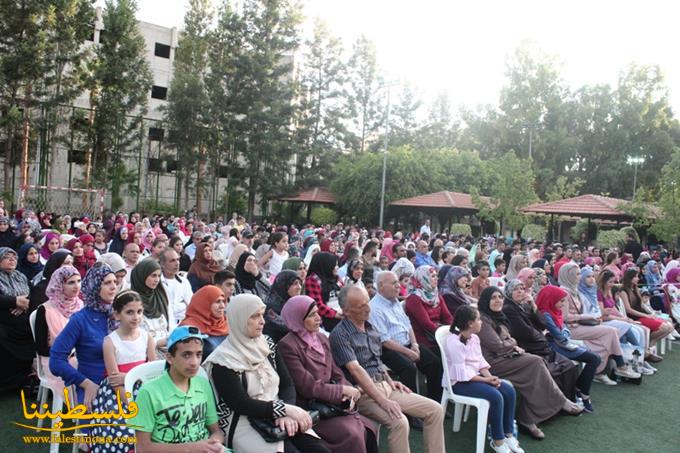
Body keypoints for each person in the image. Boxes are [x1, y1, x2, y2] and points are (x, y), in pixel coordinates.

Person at [204, 294, 330, 453]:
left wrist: (286, 412)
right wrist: (283, 410)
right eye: (255, 316)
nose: (262, 321)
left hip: (280, 415)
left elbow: (287, 383)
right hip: (244, 423)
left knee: (320, 450)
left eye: (262, 315)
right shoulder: (222, 361)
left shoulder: (267, 344)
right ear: (240, 318)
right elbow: (241, 403)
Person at [329, 285, 445, 453]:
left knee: (435, 410)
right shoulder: (340, 335)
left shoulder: (370, 327)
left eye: (367, 302)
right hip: (363, 393)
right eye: (361, 306)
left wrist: (391, 381)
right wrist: (383, 401)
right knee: (400, 422)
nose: (368, 308)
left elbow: (377, 360)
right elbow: (355, 370)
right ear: (346, 311)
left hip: (385, 386)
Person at [476, 286, 583, 440]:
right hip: (491, 364)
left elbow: (509, 339)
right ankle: (558, 403)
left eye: (500, 297)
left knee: (537, 366)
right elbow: (497, 345)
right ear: (486, 300)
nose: (498, 300)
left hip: (506, 356)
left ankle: (528, 417)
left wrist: (511, 343)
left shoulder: (497, 316)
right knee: (535, 362)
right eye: (493, 297)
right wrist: (513, 343)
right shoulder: (483, 319)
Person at [278, 295, 378, 453]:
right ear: (297, 318)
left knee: (369, 429)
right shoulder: (287, 346)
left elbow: (336, 372)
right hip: (312, 409)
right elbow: (307, 387)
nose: (319, 318)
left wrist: (348, 393)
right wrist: (342, 391)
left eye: (318, 313)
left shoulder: (321, 338)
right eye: (312, 315)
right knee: (352, 434)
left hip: (332, 404)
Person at [444, 305, 525, 453]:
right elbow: (461, 374)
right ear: (470, 323)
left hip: (475, 378)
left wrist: (490, 377)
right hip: (458, 383)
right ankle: (498, 440)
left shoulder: (474, 338)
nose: (481, 322)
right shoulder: (454, 343)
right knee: (496, 396)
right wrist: (486, 381)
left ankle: (508, 434)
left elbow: (480, 361)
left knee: (508, 390)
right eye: (479, 320)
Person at [132, 326, 224, 452]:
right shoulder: (148, 393)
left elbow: (216, 431)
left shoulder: (203, 384)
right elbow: (143, 448)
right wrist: (192, 448)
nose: (194, 362)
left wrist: (213, 444)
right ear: (169, 358)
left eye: (199, 354)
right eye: (187, 355)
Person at [91, 290, 155, 452]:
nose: (136, 317)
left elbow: (153, 372)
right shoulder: (110, 342)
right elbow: (115, 381)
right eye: (129, 312)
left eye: (139, 312)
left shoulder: (147, 337)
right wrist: (132, 406)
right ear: (117, 315)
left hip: (145, 390)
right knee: (124, 430)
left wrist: (129, 377)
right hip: (118, 395)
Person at [557, 263, 641, 384]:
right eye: (577, 274)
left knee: (611, 333)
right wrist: (588, 316)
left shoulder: (573, 290)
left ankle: (604, 370)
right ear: (568, 275)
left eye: (580, 274)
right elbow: (565, 317)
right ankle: (617, 367)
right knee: (611, 332)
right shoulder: (564, 292)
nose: (579, 277)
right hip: (571, 329)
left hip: (581, 325)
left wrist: (593, 318)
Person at [370, 271, 444, 404]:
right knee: (408, 368)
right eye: (394, 283)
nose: (398, 286)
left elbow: (407, 324)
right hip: (388, 350)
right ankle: (412, 410)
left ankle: (434, 402)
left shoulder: (394, 301)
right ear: (381, 285)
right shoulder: (374, 308)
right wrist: (408, 352)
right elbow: (385, 340)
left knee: (435, 363)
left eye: (398, 282)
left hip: (408, 344)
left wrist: (414, 345)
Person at [50, 265, 118, 409]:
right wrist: (85, 383)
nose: (113, 287)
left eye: (115, 282)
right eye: (107, 283)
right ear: (94, 286)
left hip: (122, 385)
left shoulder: (120, 314)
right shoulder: (81, 319)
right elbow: (56, 361)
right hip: (94, 386)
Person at [501, 279, 580, 401]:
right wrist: (541, 336)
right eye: (516, 289)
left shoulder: (524, 305)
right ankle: (560, 402)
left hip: (538, 345)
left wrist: (533, 306)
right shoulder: (508, 308)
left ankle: (567, 400)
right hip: (528, 347)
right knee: (559, 368)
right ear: (509, 292)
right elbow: (525, 332)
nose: (520, 292)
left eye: (522, 289)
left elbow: (542, 324)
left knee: (569, 365)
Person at [536, 285, 603, 413]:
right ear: (551, 299)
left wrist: (564, 333)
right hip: (555, 347)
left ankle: (580, 389)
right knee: (594, 358)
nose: (562, 304)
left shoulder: (554, 311)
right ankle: (583, 393)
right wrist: (563, 333)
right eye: (561, 301)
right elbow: (559, 335)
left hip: (564, 344)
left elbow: (564, 330)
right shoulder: (545, 314)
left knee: (594, 358)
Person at [33, 265, 83, 394]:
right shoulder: (45, 310)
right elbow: (41, 348)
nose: (77, 286)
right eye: (71, 282)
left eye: (78, 281)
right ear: (59, 285)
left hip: (80, 356)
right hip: (55, 359)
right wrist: (65, 354)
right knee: (83, 372)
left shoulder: (80, 305)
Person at [0, 247, 34, 389]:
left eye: (14, 257)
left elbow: (33, 294)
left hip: (23, 321)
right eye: (7, 257)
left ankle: (24, 379)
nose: (12, 260)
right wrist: (14, 301)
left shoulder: (21, 276)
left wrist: (24, 303)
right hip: (4, 322)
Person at [620, 267, 675, 354]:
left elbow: (642, 304)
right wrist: (646, 315)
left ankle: (651, 341)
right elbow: (628, 309)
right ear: (629, 278)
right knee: (665, 327)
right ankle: (650, 341)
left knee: (670, 323)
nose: (638, 278)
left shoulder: (635, 288)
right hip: (636, 317)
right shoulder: (623, 291)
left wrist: (652, 313)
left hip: (643, 314)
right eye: (636, 277)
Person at [404, 265, 453, 355]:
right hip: (425, 338)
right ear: (423, 278)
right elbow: (425, 323)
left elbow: (447, 316)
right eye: (433, 276)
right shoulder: (414, 298)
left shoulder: (435, 294)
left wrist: (454, 329)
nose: (436, 279)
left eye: (436, 276)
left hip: (438, 332)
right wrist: (444, 335)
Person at [131, 259, 174, 354]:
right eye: (153, 275)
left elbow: (171, 323)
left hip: (167, 349)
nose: (157, 280)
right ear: (142, 275)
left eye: (159, 276)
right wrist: (157, 343)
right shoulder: (132, 299)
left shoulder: (160, 295)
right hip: (143, 353)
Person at [180, 285, 228, 358]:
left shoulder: (225, 324)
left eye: (223, 301)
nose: (222, 306)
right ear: (205, 304)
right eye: (218, 301)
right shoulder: (188, 328)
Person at [306, 252, 343, 331]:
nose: (337, 267)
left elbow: (345, 295)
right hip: (324, 321)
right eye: (334, 265)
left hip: (341, 315)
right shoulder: (313, 280)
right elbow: (317, 305)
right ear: (327, 265)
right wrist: (335, 313)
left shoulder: (336, 278)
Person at [263, 270, 302, 343]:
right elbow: (292, 328)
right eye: (294, 284)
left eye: (300, 284)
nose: (299, 287)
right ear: (283, 285)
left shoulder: (294, 305)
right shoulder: (271, 308)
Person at [160, 247, 194, 325]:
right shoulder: (157, 283)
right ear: (163, 264)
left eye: (178, 259)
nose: (177, 263)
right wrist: (182, 305)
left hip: (184, 324)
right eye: (172, 261)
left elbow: (191, 305)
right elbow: (162, 310)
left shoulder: (184, 282)